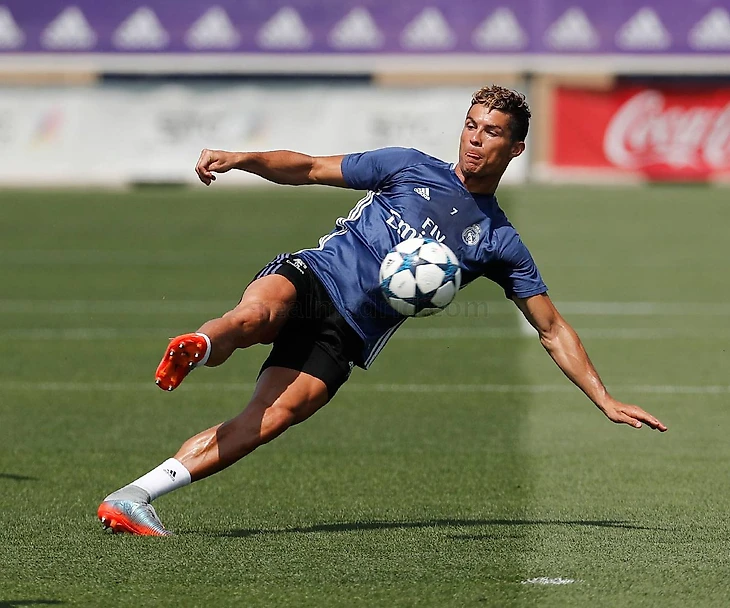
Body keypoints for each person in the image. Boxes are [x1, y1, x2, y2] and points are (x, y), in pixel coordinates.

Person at [97, 85, 667, 536]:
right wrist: (243, 157)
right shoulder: (408, 167)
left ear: (515, 149)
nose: (475, 140)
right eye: (470, 125)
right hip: (315, 276)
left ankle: (134, 496)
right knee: (255, 317)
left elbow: (550, 327)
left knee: (268, 419)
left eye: (491, 132)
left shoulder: (498, 241)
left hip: (349, 335)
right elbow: (308, 168)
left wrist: (604, 398)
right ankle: (199, 347)